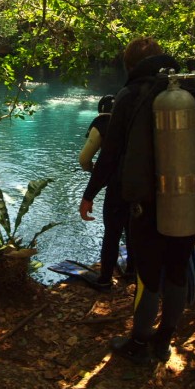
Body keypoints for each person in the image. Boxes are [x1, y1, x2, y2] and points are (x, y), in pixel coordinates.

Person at [78, 37, 195, 365]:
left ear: (129, 66)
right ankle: (164, 342)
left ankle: (139, 341)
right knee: (176, 270)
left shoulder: (130, 96)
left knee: (148, 274)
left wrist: (89, 194)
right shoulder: (190, 91)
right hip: (189, 200)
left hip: (148, 205)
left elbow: (111, 155)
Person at [78, 94, 134, 291]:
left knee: (112, 231)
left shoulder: (102, 122)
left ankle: (105, 279)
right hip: (140, 181)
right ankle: (132, 271)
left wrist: (92, 175)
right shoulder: (135, 119)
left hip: (117, 185)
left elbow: (84, 158)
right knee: (132, 227)